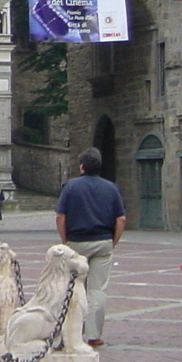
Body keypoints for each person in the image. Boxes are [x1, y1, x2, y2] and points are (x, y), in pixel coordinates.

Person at [54, 147, 126, 348]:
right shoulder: (111, 188)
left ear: (82, 166)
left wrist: (65, 240)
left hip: (76, 241)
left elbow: (61, 217)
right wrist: (114, 241)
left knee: (73, 288)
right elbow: (120, 218)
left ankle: (70, 332)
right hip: (103, 241)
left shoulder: (71, 187)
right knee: (97, 290)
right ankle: (94, 334)